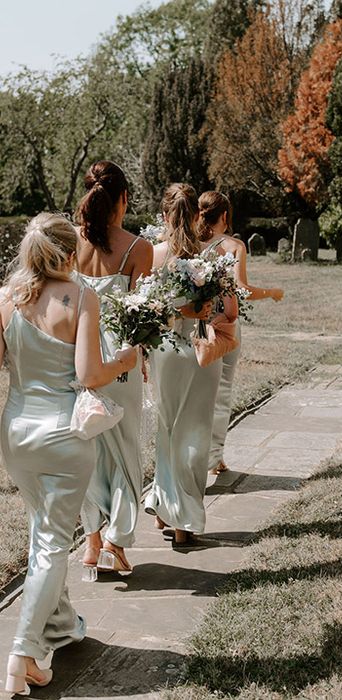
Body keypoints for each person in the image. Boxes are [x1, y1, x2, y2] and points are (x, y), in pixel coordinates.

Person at [0, 214, 137, 694]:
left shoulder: (7, 297)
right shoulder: (81, 296)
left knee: (43, 532)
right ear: (66, 251)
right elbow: (88, 375)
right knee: (53, 544)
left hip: (15, 434)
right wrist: (125, 360)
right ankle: (22, 657)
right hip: (63, 437)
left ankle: (59, 626)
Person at [145, 184, 238, 545]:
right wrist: (204, 312)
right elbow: (230, 311)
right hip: (201, 350)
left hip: (165, 349)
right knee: (196, 434)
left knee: (167, 430)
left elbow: (144, 309)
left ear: (165, 214)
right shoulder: (213, 257)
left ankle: (164, 504)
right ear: (197, 214)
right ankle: (183, 523)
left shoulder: (153, 255)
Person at [73, 161, 153, 576]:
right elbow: (143, 320)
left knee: (90, 451)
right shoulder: (139, 249)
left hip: (81, 363)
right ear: (123, 198)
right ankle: (116, 542)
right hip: (119, 363)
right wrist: (142, 361)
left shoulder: (70, 245)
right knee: (125, 455)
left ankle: (91, 545)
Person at [197, 191, 283, 476]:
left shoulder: (189, 243)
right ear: (224, 216)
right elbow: (242, 291)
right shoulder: (234, 246)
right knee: (221, 390)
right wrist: (271, 292)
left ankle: (195, 456)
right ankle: (214, 459)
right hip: (225, 328)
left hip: (193, 326)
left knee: (193, 394)